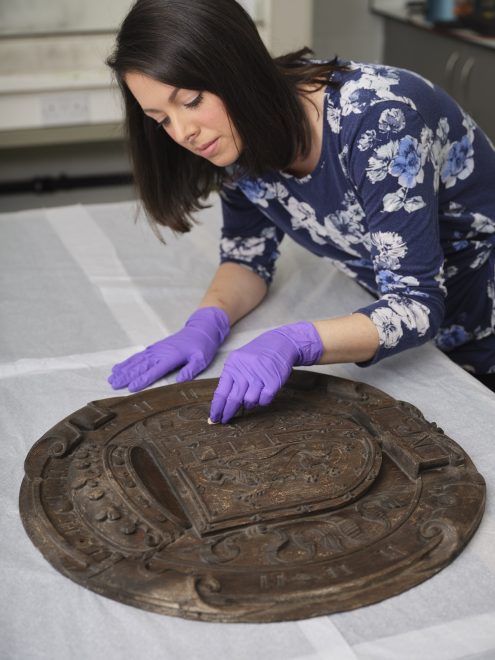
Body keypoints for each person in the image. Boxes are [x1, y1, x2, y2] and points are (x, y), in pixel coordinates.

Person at [106, 0, 495, 423]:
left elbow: (416, 304)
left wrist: (296, 341)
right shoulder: (235, 136)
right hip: (419, 342)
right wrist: (206, 322)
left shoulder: (380, 120)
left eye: (192, 101)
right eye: (161, 119)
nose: (183, 133)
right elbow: (247, 258)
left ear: (236, 68)